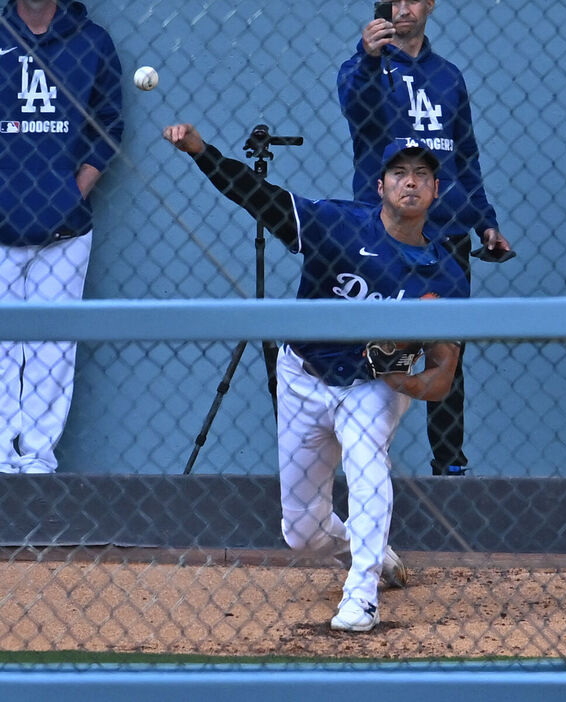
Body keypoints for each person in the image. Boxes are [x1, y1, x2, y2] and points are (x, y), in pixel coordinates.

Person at [163, 122, 469, 632]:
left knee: (368, 464)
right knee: (302, 534)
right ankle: (365, 546)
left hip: (372, 384)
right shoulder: (337, 223)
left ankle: (362, 595)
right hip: (303, 376)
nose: (411, 181)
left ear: (436, 189)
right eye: (399, 172)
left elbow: (441, 378)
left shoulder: (444, 277)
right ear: (380, 186)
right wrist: (201, 152)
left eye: (421, 174)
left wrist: (400, 382)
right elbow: (257, 196)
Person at [337, 0, 512, 476]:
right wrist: (368, 57)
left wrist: (484, 220)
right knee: (368, 346)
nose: (402, 8)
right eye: (392, 0)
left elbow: (466, 156)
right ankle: (363, 462)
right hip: (384, 235)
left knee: (447, 350)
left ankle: (449, 466)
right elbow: (357, 110)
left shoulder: (448, 76)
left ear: (430, 3)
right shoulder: (363, 67)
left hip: (447, 234)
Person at [0, 0, 123, 473]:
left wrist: (74, 193)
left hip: (65, 229)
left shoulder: (92, 42)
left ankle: (37, 458)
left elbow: (108, 125)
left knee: (53, 345)